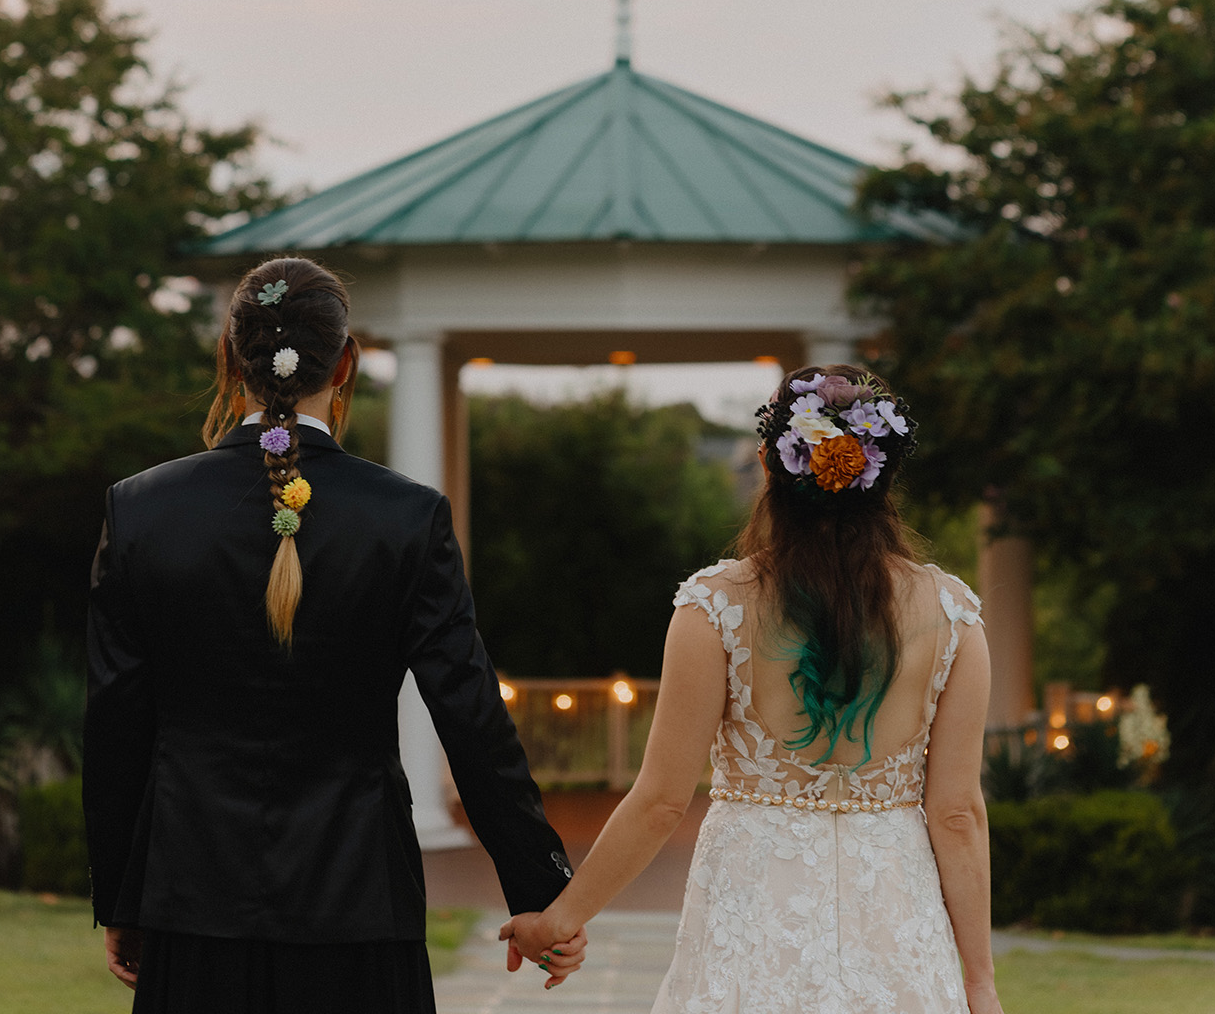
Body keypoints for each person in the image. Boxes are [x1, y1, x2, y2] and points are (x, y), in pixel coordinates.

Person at [83, 254, 587, 1012]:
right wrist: (541, 890)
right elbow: (470, 714)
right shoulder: (407, 518)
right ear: (346, 363)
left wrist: (122, 896)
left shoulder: (142, 511)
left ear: (230, 356)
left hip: (193, 902)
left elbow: (115, 722)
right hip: (360, 903)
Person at [500, 363, 1002, 1014]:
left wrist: (563, 917)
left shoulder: (716, 606)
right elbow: (957, 813)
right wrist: (980, 982)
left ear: (770, 465)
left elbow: (659, 803)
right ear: (883, 475)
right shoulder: (952, 612)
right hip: (897, 921)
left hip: (756, 913)